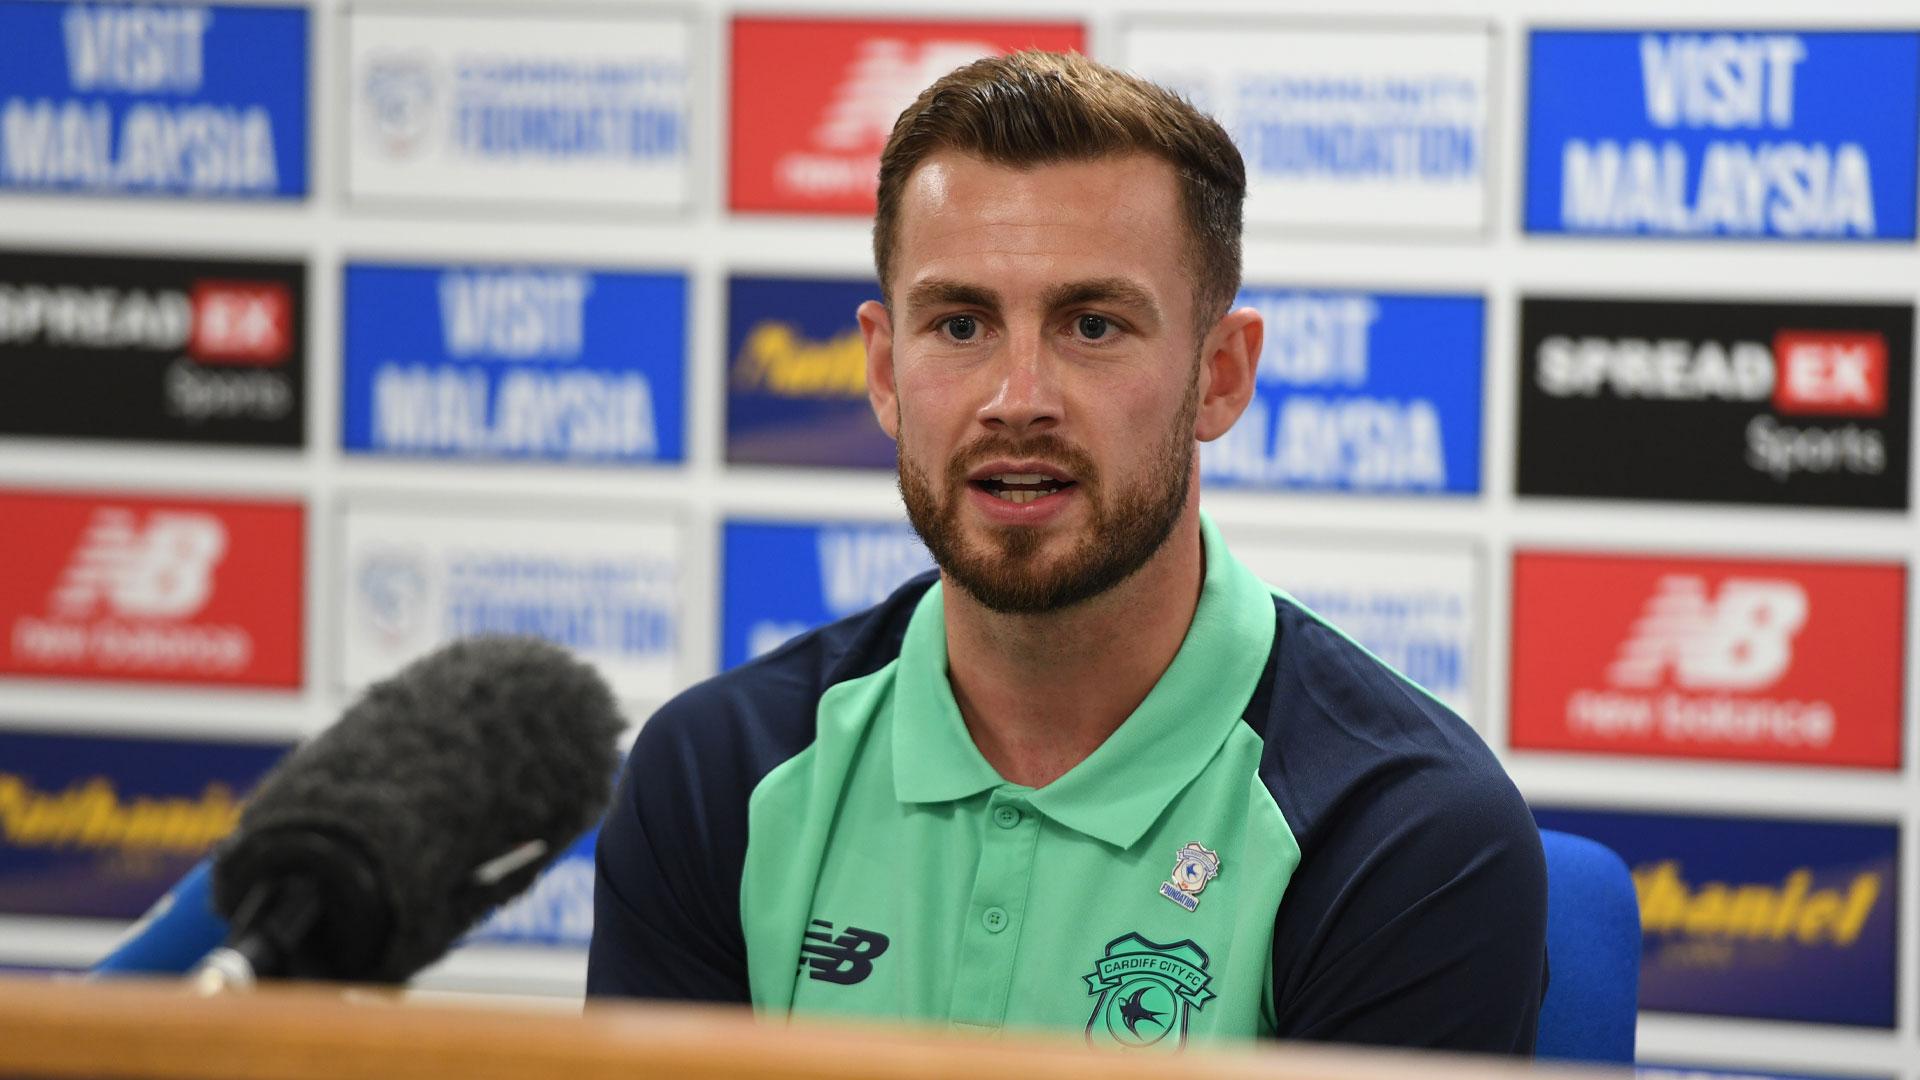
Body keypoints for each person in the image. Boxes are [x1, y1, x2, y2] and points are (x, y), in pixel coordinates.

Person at [588, 50, 1547, 1054]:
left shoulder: (1408, 834)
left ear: (1220, 376)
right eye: (960, 324)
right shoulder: (717, 777)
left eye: (1093, 325)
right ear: (883, 370)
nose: (1018, 399)